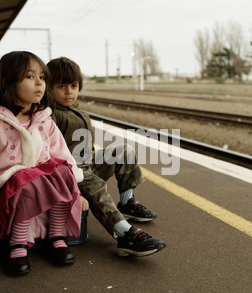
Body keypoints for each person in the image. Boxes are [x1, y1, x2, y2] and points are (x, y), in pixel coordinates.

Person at [0, 51, 87, 276]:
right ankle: (17, 243)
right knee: (28, 181)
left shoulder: (44, 119)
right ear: (8, 82)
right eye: (30, 77)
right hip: (3, 183)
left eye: (42, 77)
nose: (39, 84)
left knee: (63, 171)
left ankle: (56, 235)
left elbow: (62, 153)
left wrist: (75, 190)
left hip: (37, 177)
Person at [47, 57, 166, 257]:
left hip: (89, 162)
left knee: (123, 150)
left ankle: (127, 202)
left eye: (74, 86)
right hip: (70, 170)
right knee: (95, 185)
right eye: (61, 86)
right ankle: (123, 234)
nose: (69, 91)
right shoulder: (51, 115)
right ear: (49, 87)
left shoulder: (76, 110)